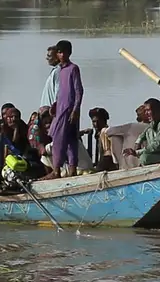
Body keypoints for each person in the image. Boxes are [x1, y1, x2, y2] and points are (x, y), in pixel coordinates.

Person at [42, 40, 83, 180]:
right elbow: (61, 91)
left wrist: (76, 109)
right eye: (59, 52)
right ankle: (70, 171)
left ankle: (57, 170)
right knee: (70, 139)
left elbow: (78, 91)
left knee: (60, 139)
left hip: (69, 110)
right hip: (60, 108)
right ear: (57, 54)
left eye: (64, 52)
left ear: (69, 53)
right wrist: (55, 105)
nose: (62, 55)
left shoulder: (73, 68)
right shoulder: (60, 71)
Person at [124, 97, 160, 166]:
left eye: (148, 110)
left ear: (157, 110)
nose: (146, 113)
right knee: (149, 133)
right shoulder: (154, 123)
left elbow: (157, 145)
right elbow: (143, 134)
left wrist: (137, 152)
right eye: (145, 111)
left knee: (145, 157)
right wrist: (137, 144)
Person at [85, 108, 118, 172]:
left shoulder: (105, 132)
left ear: (104, 121)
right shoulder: (98, 134)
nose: (96, 124)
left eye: (98, 121)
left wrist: (99, 168)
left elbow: (107, 155)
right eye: (94, 122)